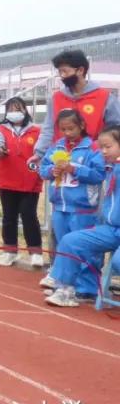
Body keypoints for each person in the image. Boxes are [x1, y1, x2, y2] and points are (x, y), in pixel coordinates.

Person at [45, 125, 120, 307]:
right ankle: (65, 289)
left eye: (107, 147)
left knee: (118, 262)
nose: (103, 151)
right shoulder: (110, 168)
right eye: (101, 147)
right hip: (111, 229)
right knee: (71, 241)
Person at [38, 109, 105, 299]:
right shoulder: (57, 147)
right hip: (60, 206)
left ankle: (87, 288)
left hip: (83, 209)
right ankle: (64, 284)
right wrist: (52, 170)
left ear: (82, 126)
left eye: (71, 128)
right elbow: (43, 170)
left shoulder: (93, 148)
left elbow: (99, 174)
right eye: (63, 129)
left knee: (85, 249)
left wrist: (74, 169)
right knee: (63, 246)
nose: (67, 133)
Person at [33, 49, 120, 164]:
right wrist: (39, 153)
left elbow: (116, 128)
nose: (62, 76)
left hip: (93, 161)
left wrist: (104, 150)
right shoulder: (56, 98)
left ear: (80, 70)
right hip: (61, 161)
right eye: (60, 72)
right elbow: (48, 129)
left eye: (65, 71)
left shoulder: (104, 97)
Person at [0, 97, 44, 268]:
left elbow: (43, 150)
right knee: (9, 217)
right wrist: (0, 151)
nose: (15, 112)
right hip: (7, 181)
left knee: (29, 216)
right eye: (11, 109)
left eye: (18, 108)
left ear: (25, 110)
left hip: (30, 181)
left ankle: (35, 252)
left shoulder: (37, 131)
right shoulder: (1, 130)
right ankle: (10, 251)